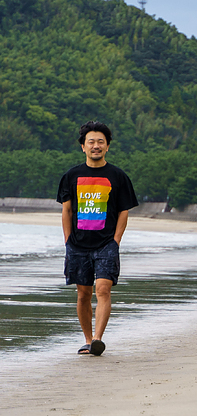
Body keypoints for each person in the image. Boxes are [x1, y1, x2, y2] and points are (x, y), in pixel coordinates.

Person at [57, 120, 138, 356]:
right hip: (77, 244)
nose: (96, 146)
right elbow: (67, 210)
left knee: (103, 289)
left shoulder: (118, 176)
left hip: (106, 244)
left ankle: (97, 340)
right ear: (83, 146)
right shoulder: (71, 176)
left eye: (100, 142)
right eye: (91, 142)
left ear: (107, 146)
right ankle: (87, 338)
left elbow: (124, 210)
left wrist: (116, 241)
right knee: (83, 293)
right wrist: (67, 240)